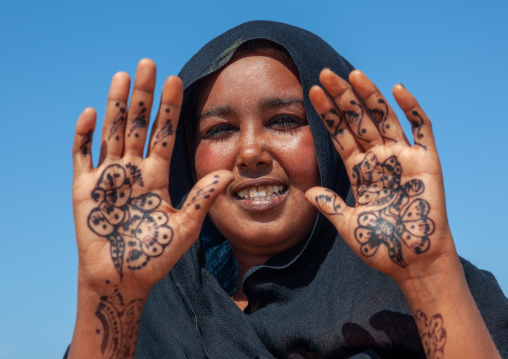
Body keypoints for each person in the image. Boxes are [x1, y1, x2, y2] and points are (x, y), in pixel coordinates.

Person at [66, 21, 508, 358]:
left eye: (284, 121)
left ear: (334, 143)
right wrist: (108, 295)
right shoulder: (154, 308)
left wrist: (428, 277)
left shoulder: (433, 286)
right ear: (187, 161)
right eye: (219, 130)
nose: (252, 151)